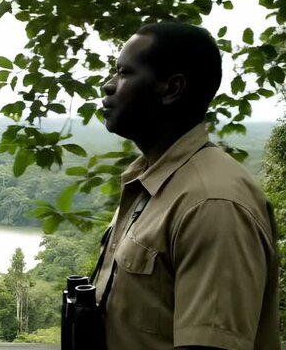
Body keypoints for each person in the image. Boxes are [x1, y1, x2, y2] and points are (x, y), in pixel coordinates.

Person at [94, 21, 280, 349]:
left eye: (124, 73)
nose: (108, 86)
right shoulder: (155, 183)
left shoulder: (211, 201)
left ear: (171, 89)